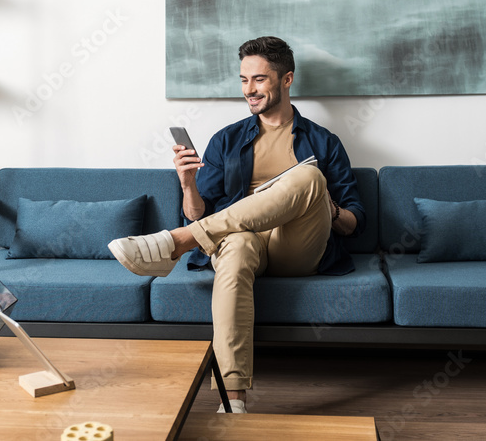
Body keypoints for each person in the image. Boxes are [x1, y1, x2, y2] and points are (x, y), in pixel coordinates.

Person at [109, 36, 365, 413]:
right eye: (244, 79)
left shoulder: (323, 141)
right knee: (236, 247)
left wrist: (327, 207)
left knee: (309, 178)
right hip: (240, 241)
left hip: (296, 247)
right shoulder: (226, 140)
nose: (249, 90)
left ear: (287, 79)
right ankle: (233, 401)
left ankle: (177, 243)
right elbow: (200, 213)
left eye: (259, 79)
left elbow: (355, 222)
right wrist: (187, 184)